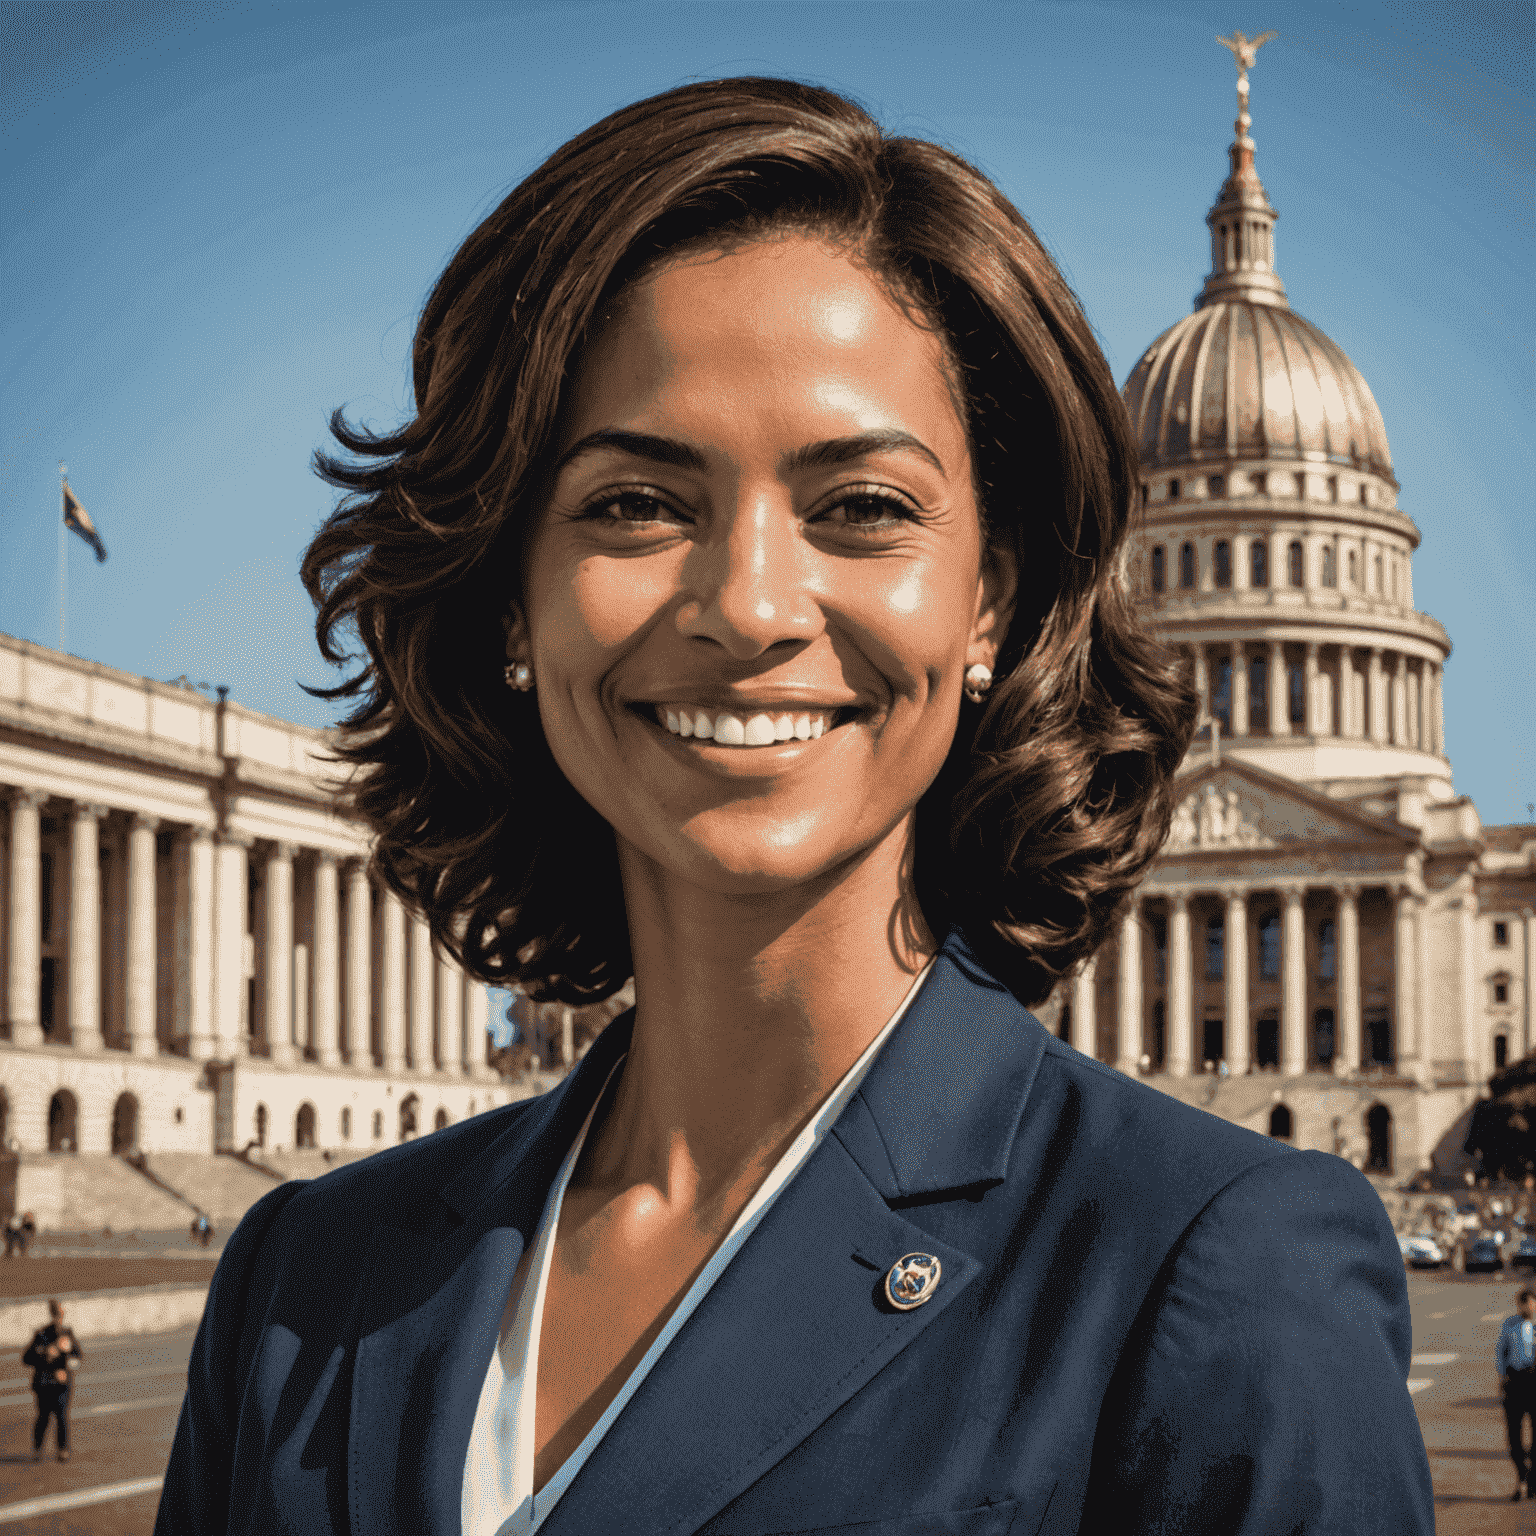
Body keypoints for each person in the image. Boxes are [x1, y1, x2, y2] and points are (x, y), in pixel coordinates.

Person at [156, 77, 1433, 1534]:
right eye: (636, 502)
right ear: (512, 594)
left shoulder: (1214, 1269)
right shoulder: (307, 1276)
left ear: (992, 603)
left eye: (863, 507)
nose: (749, 606)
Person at [23, 1299, 81, 1463]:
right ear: (52, 1314)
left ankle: (62, 1450)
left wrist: (67, 1367)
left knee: (62, 1417)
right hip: (44, 1384)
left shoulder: (67, 1334)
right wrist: (47, 1354)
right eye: (56, 1313)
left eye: (61, 1314)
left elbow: (78, 1358)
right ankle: (37, 1449)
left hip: (62, 1386)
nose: (59, 1318)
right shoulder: (42, 1334)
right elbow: (26, 1358)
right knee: (43, 1417)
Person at [1497, 1288, 1536, 1500]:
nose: (1528, 1307)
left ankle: (1532, 1481)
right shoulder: (1509, 1325)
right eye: (1524, 1303)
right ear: (1519, 1305)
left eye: (1531, 1303)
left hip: (1534, 1381)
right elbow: (1501, 1353)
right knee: (1513, 1436)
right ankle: (1521, 1476)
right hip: (1515, 1382)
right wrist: (1502, 1380)